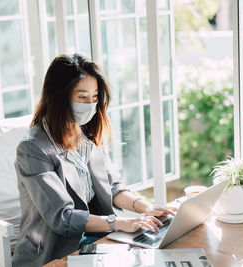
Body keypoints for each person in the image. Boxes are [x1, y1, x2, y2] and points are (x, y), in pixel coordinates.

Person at [12, 54, 176, 266]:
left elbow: (113, 187)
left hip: (96, 243)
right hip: (51, 254)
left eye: (95, 96)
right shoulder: (33, 149)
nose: (90, 104)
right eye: (82, 97)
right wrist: (118, 223)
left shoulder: (87, 134)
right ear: (59, 97)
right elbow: (63, 217)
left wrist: (145, 207)